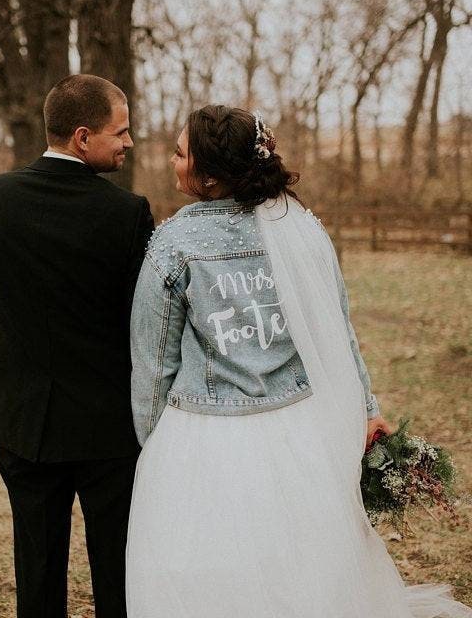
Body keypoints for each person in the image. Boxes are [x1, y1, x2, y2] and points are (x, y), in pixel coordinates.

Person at [125, 104, 472, 618]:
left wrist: (153, 442)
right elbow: (341, 331)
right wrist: (365, 408)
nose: (172, 161)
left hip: (203, 433)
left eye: (180, 154)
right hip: (299, 430)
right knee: (302, 560)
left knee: (209, 567)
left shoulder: (174, 242)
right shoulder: (303, 229)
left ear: (211, 175)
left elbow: (153, 360)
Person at [0, 74, 154, 618]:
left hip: (23, 421)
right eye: (122, 131)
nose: (129, 142)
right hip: (108, 427)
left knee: (36, 572)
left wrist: (2, 391)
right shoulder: (128, 213)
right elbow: (142, 327)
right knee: (118, 571)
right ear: (83, 136)